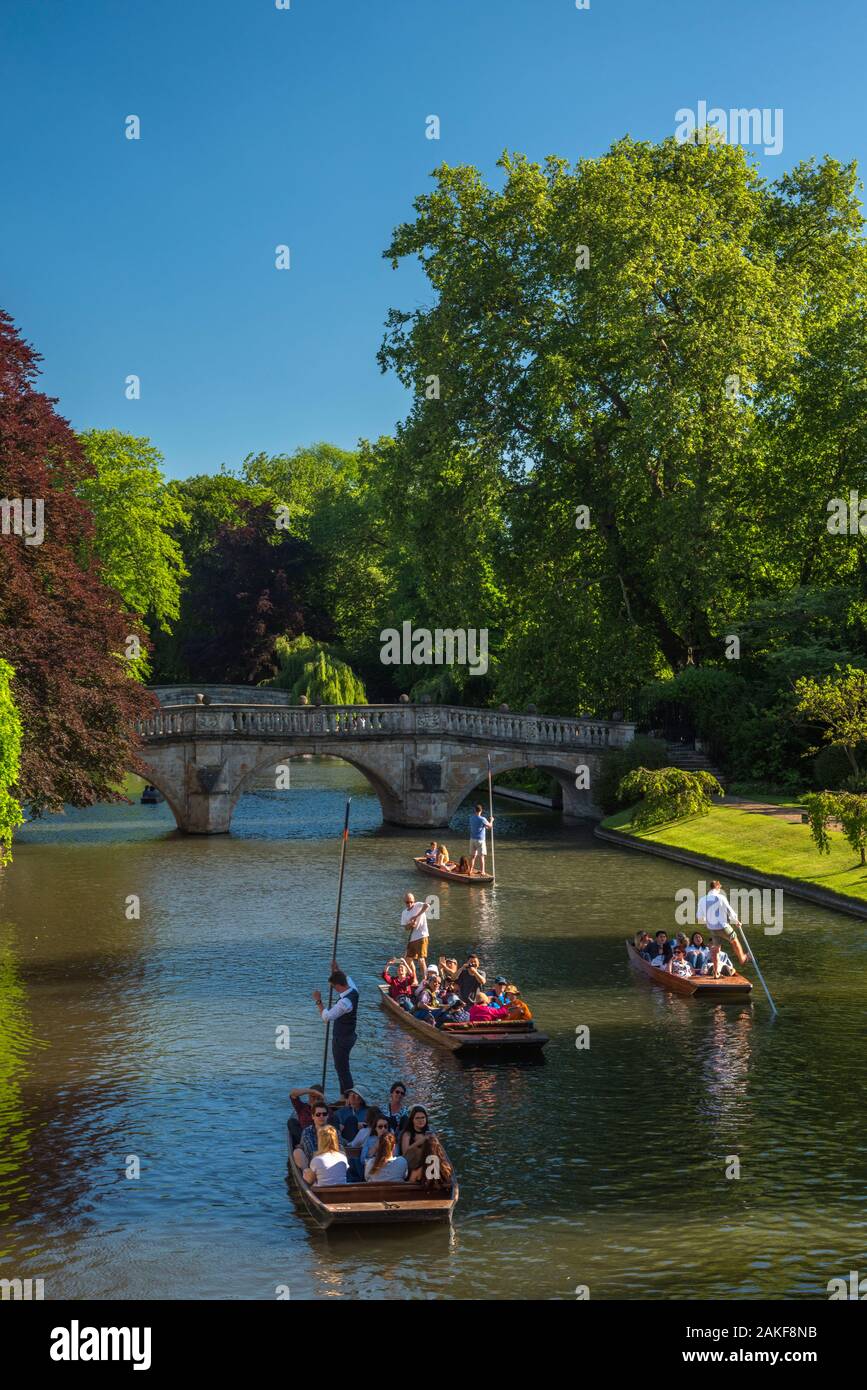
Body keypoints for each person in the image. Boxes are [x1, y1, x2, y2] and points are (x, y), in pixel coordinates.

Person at [312, 959, 359, 1096]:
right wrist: (337, 970)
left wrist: (318, 1001)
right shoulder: (353, 990)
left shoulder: (344, 1003)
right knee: (341, 1068)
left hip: (342, 1039)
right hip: (349, 1035)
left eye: (333, 987)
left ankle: (349, 1098)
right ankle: (343, 1096)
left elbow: (326, 1017)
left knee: (342, 1069)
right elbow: (347, 978)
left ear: (338, 986)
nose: (334, 989)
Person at [697, 879, 750, 973]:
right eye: (720, 887)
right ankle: (742, 958)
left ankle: (716, 971)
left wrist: (708, 921)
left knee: (716, 948)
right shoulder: (721, 897)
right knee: (734, 940)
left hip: (712, 928)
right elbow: (729, 910)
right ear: (717, 887)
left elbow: (699, 917)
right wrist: (736, 921)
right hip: (722, 926)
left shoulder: (702, 899)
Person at [293, 1098, 333, 1172]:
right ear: (313, 1116)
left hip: (332, 1163)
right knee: (297, 1151)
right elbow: (312, 1153)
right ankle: (306, 1174)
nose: (321, 1117)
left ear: (327, 1116)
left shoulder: (333, 1131)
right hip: (314, 1165)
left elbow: (340, 1147)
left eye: (324, 1114)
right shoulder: (307, 1132)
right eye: (318, 1114)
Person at [401, 893, 430, 984]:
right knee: (408, 959)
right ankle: (413, 980)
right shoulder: (404, 913)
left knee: (421, 959)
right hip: (412, 938)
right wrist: (410, 925)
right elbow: (406, 928)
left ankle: (425, 980)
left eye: (411, 902)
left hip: (422, 936)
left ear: (414, 901)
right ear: (404, 902)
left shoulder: (418, 905)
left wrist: (416, 916)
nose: (409, 904)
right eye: (407, 902)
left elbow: (427, 906)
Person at [468, 803, 494, 876]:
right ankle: (482, 871)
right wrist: (491, 820)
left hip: (472, 839)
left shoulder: (471, 818)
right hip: (480, 840)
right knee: (481, 856)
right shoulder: (483, 819)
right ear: (481, 810)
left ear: (475, 810)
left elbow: (479, 826)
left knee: (472, 856)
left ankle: (470, 870)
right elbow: (490, 826)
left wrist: (484, 826)